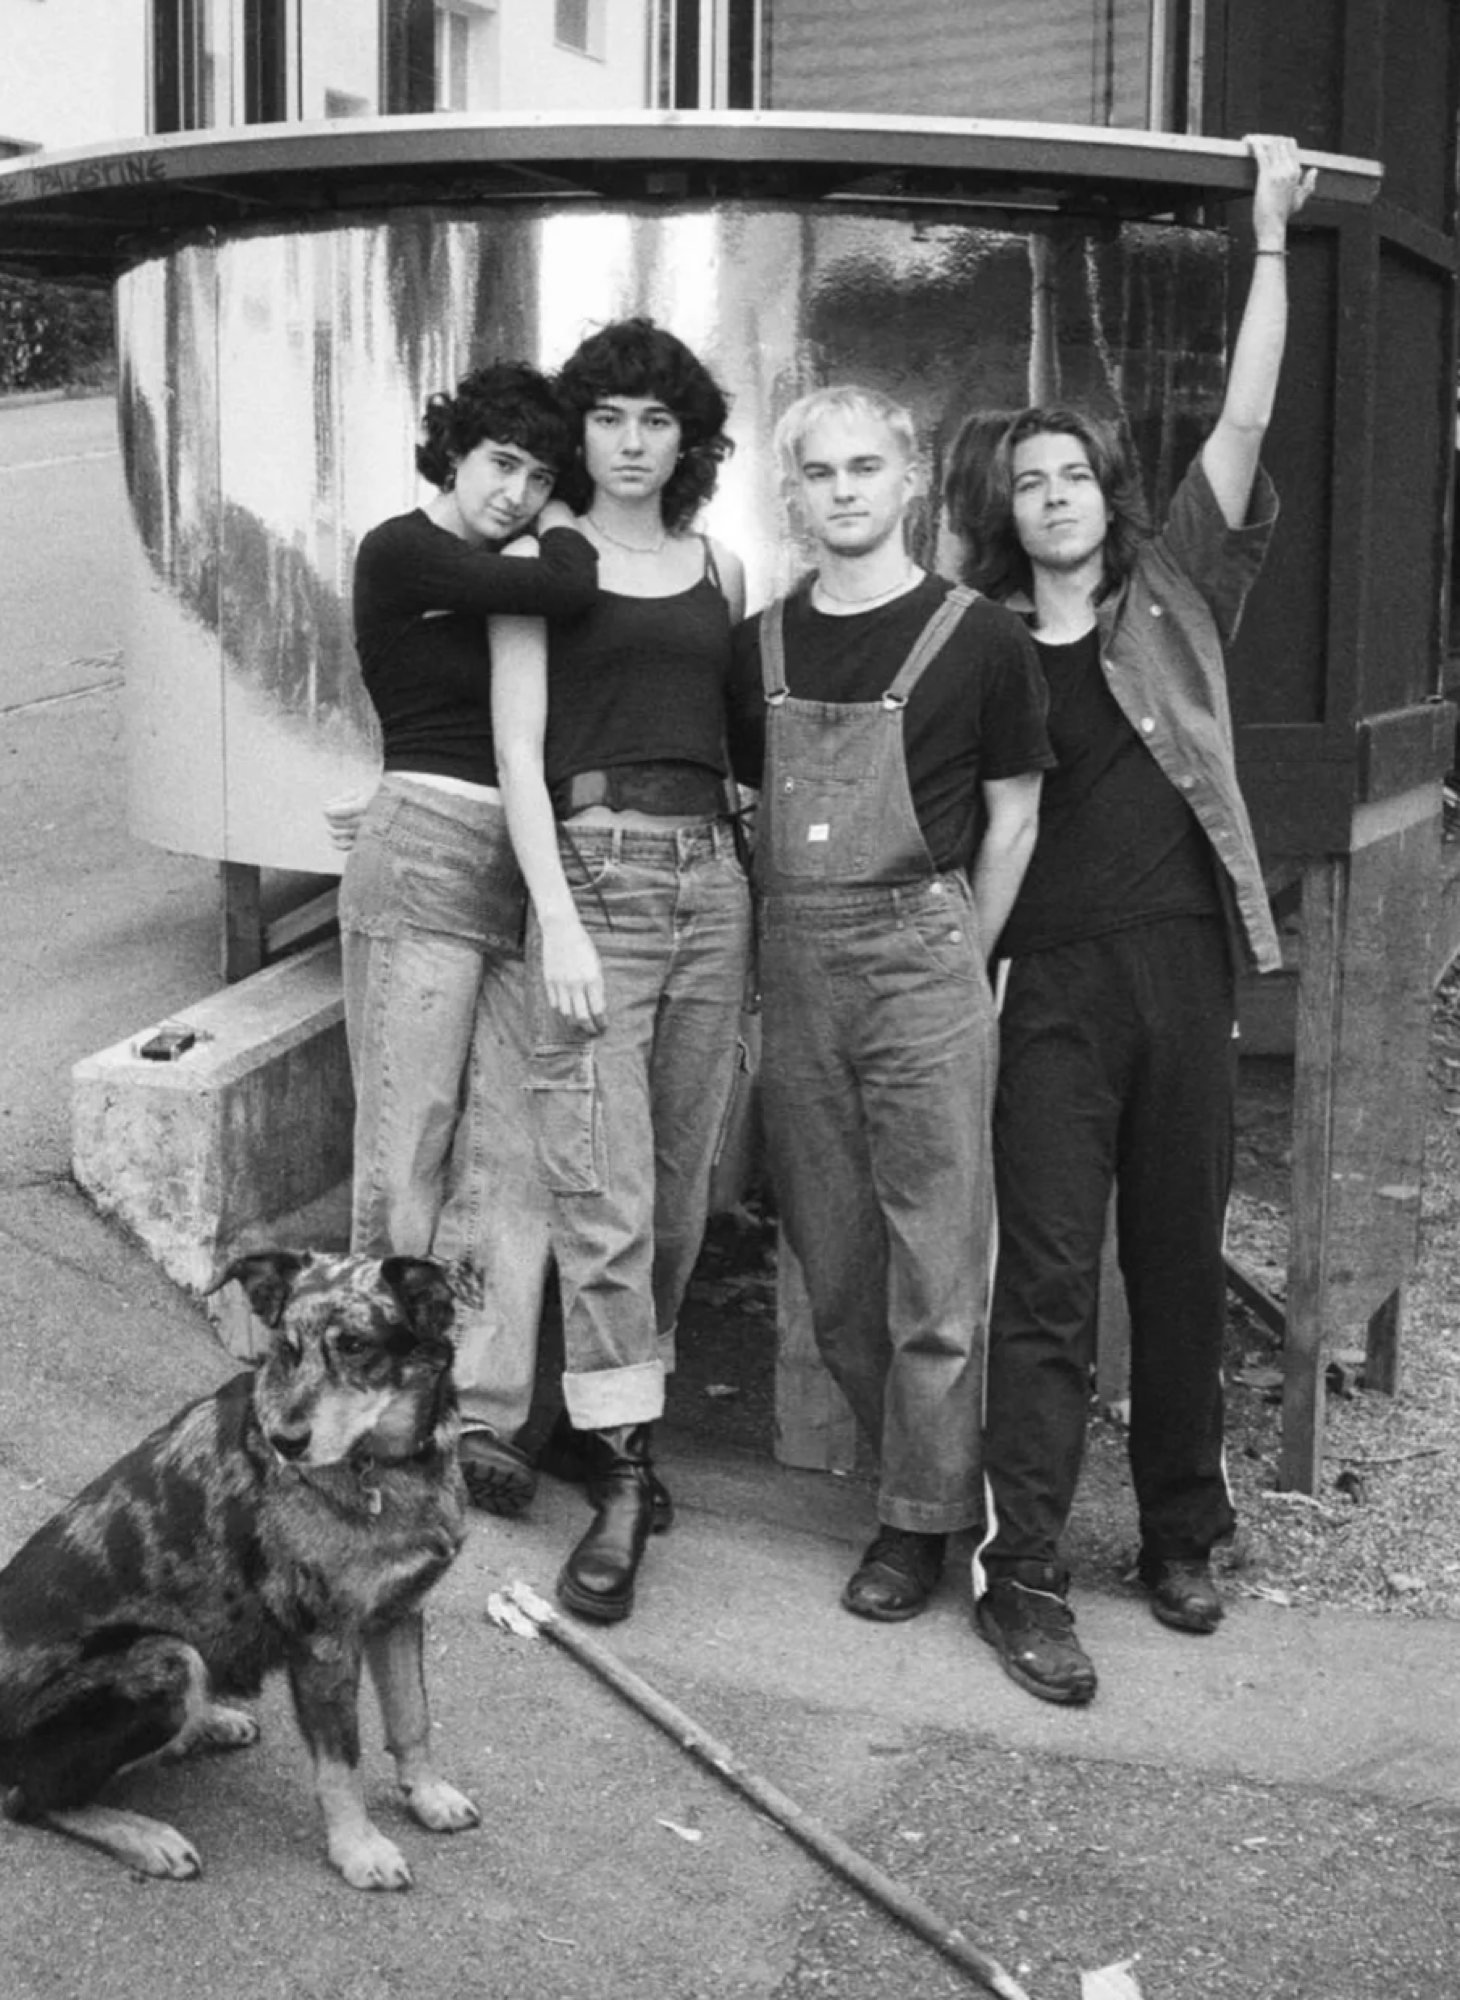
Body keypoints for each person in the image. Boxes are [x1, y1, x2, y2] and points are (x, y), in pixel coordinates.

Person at [944, 135, 1315, 1704]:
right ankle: (1018, 1562)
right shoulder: (972, 647)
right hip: (1049, 989)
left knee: (1175, 1261)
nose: (1053, 497)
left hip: (1182, 968)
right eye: (1026, 483)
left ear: (1110, 492)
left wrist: (1273, 235)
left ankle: (1179, 1533)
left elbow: (1243, 414)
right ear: (1003, 511)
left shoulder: (1179, 594)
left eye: (1073, 473)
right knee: (1040, 1279)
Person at [726, 385, 1051, 1623]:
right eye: (819, 470)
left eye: (868, 464)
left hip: (924, 954)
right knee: (835, 1257)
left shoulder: (979, 640)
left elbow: (1014, 810)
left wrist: (967, 954)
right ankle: (918, 1481)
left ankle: (920, 1523)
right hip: (797, 965)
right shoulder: (752, 645)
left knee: (936, 1256)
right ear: (791, 493)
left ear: (910, 477)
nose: (845, 488)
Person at [486, 318, 752, 1624]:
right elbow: (518, 757)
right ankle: (627, 1483)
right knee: (602, 1184)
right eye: (611, 419)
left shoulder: (721, 564)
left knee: (682, 1188)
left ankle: (602, 1422)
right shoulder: (548, 559)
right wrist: (563, 922)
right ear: (578, 431)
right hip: (593, 874)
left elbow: (744, 742)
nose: (635, 443)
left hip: (717, 881)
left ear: (685, 438)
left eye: (659, 421)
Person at [338, 360, 596, 1519]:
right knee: (410, 1142)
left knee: (511, 1147)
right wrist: (560, 533)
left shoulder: (500, 570)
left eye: (540, 475)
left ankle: (477, 1405)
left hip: (522, 868)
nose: (515, 492)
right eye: (502, 464)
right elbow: (569, 592)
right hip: (428, 844)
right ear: (453, 452)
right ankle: (354, 1390)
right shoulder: (401, 551)